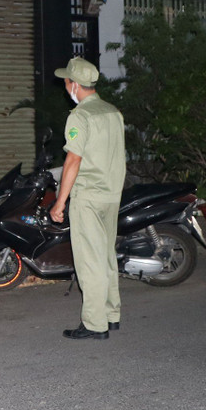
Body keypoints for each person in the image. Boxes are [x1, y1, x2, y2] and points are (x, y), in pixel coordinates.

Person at [49, 58, 126, 340]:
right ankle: (111, 314)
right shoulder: (112, 112)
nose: (65, 86)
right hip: (111, 195)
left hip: (89, 197)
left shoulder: (80, 116)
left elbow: (73, 160)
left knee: (90, 261)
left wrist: (60, 202)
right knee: (106, 256)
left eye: (66, 82)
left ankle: (95, 324)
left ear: (75, 85)